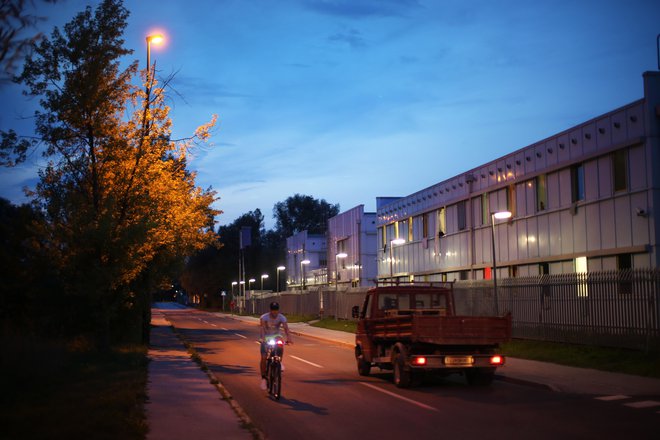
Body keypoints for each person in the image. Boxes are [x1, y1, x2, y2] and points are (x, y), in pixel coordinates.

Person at [259, 301, 292, 390]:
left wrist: (289, 338)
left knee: (280, 343)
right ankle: (263, 379)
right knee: (263, 357)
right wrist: (262, 339)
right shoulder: (264, 317)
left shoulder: (282, 318)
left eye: (276, 310)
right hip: (266, 337)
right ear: (270, 310)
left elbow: (286, 329)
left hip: (276, 335)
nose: (275, 312)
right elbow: (262, 328)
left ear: (278, 310)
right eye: (273, 310)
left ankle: (280, 362)